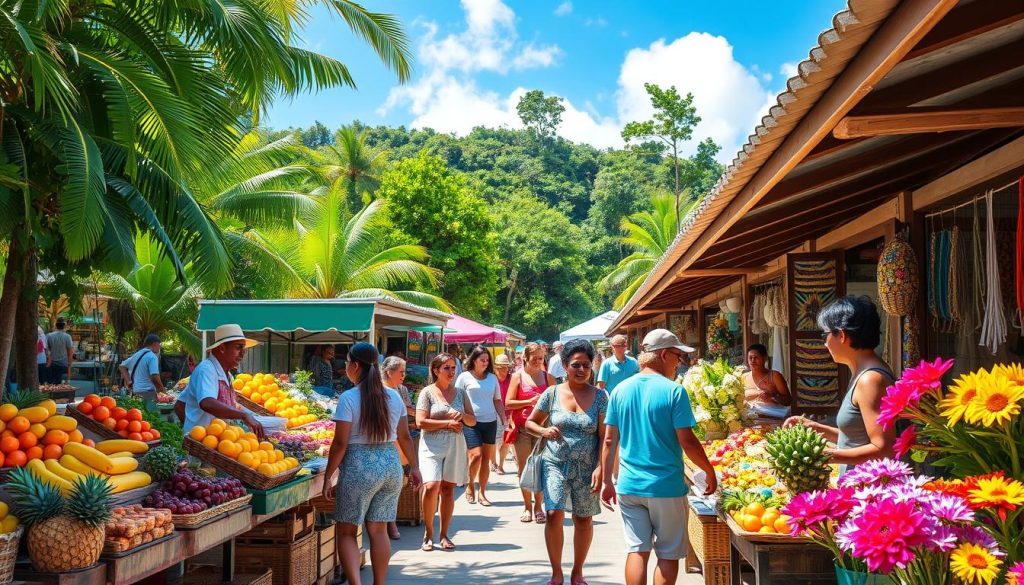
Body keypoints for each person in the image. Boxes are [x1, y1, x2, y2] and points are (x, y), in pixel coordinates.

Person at [600, 328, 717, 585]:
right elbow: (687, 440)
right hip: (665, 487)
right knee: (667, 555)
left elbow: (609, 440)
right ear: (664, 355)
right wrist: (708, 469)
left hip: (629, 486)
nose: (679, 362)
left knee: (637, 550)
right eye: (677, 356)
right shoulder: (674, 391)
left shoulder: (620, 390)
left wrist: (608, 481)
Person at [322, 342, 420, 585]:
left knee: (346, 531)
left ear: (355, 366)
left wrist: (328, 475)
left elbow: (340, 443)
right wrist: (415, 467)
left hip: (359, 467)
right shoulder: (394, 397)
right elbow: (405, 436)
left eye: (346, 364)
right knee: (378, 531)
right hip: (390, 465)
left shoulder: (349, 398)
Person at [525, 340, 608, 585]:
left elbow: (606, 437)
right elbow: (530, 422)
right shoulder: (551, 393)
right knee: (553, 514)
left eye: (586, 365)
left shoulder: (601, 397)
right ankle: (556, 572)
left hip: (587, 468)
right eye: (575, 365)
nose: (581, 370)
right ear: (564, 366)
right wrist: (543, 431)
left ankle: (578, 571)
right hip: (555, 463)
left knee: (583, 518)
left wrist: (602, 467)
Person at [784, 295, 896, 468]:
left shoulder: (870, 380)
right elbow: (853, 440)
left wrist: (820, 454)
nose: (825, 343)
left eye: (825, 335)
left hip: (867, 490)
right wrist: (816, 428)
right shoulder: (862, 374)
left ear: (842, 335)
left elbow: (882, 448)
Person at [416, 353, 476, 551]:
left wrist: (462, 416)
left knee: (448, 488)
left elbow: (472, 421)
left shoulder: (460, 393)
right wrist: (447, 423)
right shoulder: (427, 392)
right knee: (432, 486)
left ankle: (444, 534)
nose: (451, 372)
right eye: (446, 368)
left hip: (455, 444)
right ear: (436, 370)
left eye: (453, 368)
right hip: (431, 444)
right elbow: (421, 422)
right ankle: (428, 532)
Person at [175, 324, 265, 440]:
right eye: (238, 347)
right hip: (203, 444)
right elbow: (206, 402)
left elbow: (180, 404)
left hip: (219, 443)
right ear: (222, 348)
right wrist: (193, 430)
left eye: (244, 348)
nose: (243, 354)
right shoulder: (206, 370)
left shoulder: (226, 374)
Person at [505, 342, 556, 524]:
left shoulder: (548, 378)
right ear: (525, 358)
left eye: (541, 358)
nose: (537, 361)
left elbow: (557, 403)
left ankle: (538, 506)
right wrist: (529, 401)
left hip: (543, 430)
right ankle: (527, 506)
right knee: (524, 468)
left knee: (542, 468)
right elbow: (508, 403)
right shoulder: (517, 377)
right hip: (522, 429)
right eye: (534, 358)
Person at [455, 346, 507, 506]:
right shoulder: (464, 377)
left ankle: (482, 493)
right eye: (482, 360)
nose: (485, 363)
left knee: (486, 459)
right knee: (476, 455)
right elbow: (457, 398)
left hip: (490, 422)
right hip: (471, 422)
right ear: (474, 360)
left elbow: (497, 399)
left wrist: (503, 417)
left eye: (487, 360)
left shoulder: (492, 378)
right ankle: (470, 485)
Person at [381, 355, 416, 541]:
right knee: (388, 486)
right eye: (401, 372)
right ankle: (388, 523)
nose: (404, 375)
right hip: (384, 442)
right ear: (389, 372)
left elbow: (406, 409)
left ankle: (390, 521)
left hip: (398, 441)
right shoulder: (377, 390)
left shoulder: (401, 390)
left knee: (397, 484)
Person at [743, 343, 791, 418]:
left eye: (756, 357)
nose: (753, 361)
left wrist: (773, 396)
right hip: (750, 422)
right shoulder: (744, 377)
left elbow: (788, 401)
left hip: (773, 420)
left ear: (764, 358)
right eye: (750, 358)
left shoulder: (775, 376)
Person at [119, 334, 165, 403]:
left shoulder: (137, 354)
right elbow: (154, 377)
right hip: (147, 393)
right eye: (159, 345)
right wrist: (162, 390)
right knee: (151, 413)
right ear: (154, 344)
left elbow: (121, 366)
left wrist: (128, 382)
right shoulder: (152, 356)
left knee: (138, 413)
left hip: (135, 392)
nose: (159, 348)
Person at [492, 353, 514, 474]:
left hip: (509, 413)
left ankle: (500, 465)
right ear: (495, 368)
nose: (504, 370)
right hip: (492, 413)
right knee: (493, 441)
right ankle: (493, 462)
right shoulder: (491, 379)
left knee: (506, 440)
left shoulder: (512, 378)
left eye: (506, 367)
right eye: (501, 367)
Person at [45, 317, 75, 384]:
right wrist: (69, 366)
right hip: (63, 366)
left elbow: (47, 351)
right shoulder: (67, 337)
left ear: (56, 325)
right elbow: (70, 353)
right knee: (61, 388)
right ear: (64, 326)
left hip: (52, 365)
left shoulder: (49, 336)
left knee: (52, 387)